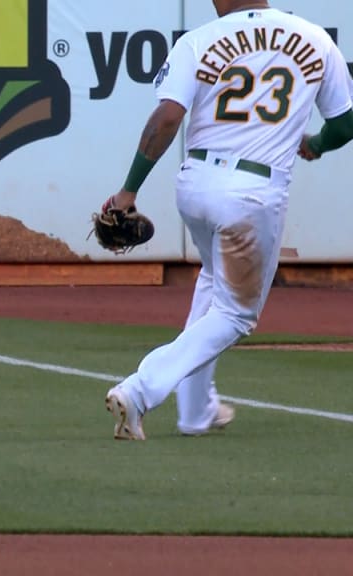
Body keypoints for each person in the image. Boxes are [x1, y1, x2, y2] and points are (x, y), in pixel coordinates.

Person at [102, 0, 353, 440]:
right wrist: (318, 142)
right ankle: (140, 390)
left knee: (213, 284)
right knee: (236, 314)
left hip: (195, 183)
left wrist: (128, 190)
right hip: (252, 194)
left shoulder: (198, 40)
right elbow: (346, 123)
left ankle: (196, 412)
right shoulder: (315, 37)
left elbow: (166, 118)